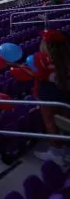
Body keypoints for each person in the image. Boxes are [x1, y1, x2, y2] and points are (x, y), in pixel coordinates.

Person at [31, 29, 70, 167]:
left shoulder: (40, 57)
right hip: (65, 94)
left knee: (50, 123)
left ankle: (55, 153)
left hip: (48, 94)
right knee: (65, 123)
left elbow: (37, 75)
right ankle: (66, 150)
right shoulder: (66, 55)